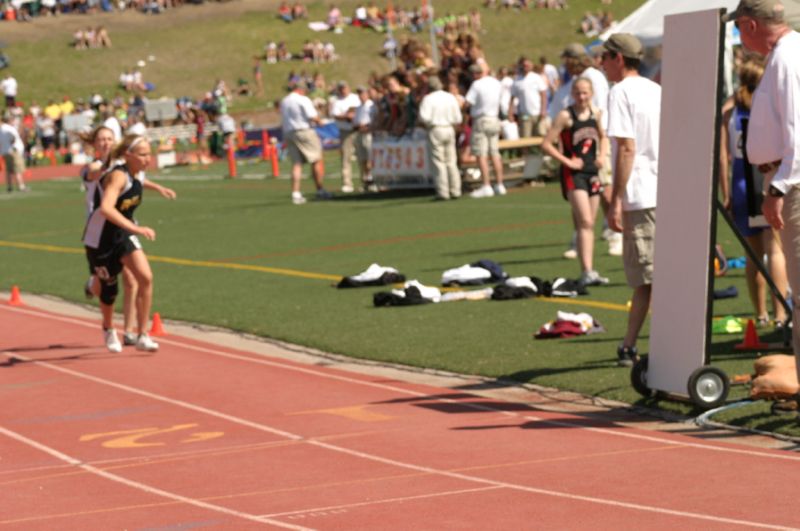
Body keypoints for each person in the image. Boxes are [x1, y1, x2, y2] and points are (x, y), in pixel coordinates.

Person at [729, 0, 800, 383]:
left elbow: (798, 134)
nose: (739, 36)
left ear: (750, 24)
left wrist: (776, 187)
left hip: (791, 182)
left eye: (739, 27)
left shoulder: (787, 58)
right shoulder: (784, 55)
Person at [82, 135, 176, 353]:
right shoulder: (117, 177)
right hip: (100, 240)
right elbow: (106, 208)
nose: (148, 158)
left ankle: (143, 334)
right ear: (128, 155)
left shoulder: (137, 174)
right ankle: (108, 328)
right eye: (143, 154)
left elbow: (142, 181)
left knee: (145, 277)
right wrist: (136, 228)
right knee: (109, 290)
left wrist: (160, 188)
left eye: (149, 154)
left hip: (122, 234)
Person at [602, 33, 661, 367]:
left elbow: (627, 148)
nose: (601, 64)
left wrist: (616, 199)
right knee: (655, 276)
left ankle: (634, 345)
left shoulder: (620, 92)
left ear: (619, 58)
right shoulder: (656, 89)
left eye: (605, 57)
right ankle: (629, 344)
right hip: (666, 190)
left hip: (641, 193)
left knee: (647, 278)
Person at [719, 56, 789, 328]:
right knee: (776, 251)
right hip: (765, 177)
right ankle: (781, 314)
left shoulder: (729, 112)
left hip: (740, 183)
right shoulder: (770, 108)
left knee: (752, 254)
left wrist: (726, 193)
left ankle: (760, 314)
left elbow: (723, 157)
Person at [542, 77, 610, 287]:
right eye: (578, 93)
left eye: (585, 93)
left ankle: (589, 271)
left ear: (591, 93)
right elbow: (546, 144)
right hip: (574, 175)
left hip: (592, 172)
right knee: (586, 222)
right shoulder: (566, 116)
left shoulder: (596, 113)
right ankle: (586, 270)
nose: (582, 97)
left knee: (589, 224)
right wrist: (567, 162)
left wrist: (602, 155)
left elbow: (604, 136)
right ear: (572, 94)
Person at [280, 82, 331, 205]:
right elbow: (312, 116)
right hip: (304, 131)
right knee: (316, 159)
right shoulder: (303, 99)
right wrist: (321, 121)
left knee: (296, 164)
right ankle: (320, 189)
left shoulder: (285, 101)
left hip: (289, 132)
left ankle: (296, 193)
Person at [419, 76, 463, 201]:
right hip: (449, 128)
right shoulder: (450, 97)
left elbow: (424, 117)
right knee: (451, 160)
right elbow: (458, 118)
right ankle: (456, 189)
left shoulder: (428, 99)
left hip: (435, 128)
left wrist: (430, 123)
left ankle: (443, 191)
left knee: (439, 162)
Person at [465, 63, 505, 198]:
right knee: (494, 152)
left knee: (481, 153)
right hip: (494, 118)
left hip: (482, 119)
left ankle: (486, 185)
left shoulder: (477, 85)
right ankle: (500, 184)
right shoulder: (496, 83)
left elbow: (468, 102)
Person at [329, 81, 361, 193]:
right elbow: (336, 115)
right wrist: (346, 116)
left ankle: (366, 181)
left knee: (363, 156)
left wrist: (354, 115)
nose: (343, 90)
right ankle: (347, 183)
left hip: (358, 130)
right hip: (345, 131)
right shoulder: (337, 101)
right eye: (341, 88)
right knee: (346, 158)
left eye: (345, 87)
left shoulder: (355, 98)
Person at [508, 58, 548, 139]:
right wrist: (510, 113)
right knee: (525, 137)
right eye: (524, 65)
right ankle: (525, 152)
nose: (526, 67)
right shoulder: (517, 80)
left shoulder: (537, 78)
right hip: (524, 115)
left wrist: (543, 110)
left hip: (538, 114)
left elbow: (543, 95)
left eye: (527, 65)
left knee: (540, 137)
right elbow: (512, 98)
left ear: (531, 66)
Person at [353, 86, 376, 191]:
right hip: (359, 133)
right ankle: (366, 180)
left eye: (362, 93)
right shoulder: (358, 107)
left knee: (370, 158)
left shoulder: (371, 105)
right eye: (359, 94)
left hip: (368, 133)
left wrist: (366, 126)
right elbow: (355, 121)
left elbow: (373, 119)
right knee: (362, 159)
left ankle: (372, 180)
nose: (361, 96)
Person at [0, 112, 28, 193]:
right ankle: (21, 186)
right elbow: (13, 138)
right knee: (17, 169)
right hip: (13, 151)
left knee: (9, 170)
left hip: (4, 151)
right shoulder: (10, 128)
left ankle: (9, 187)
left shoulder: (1, 129)